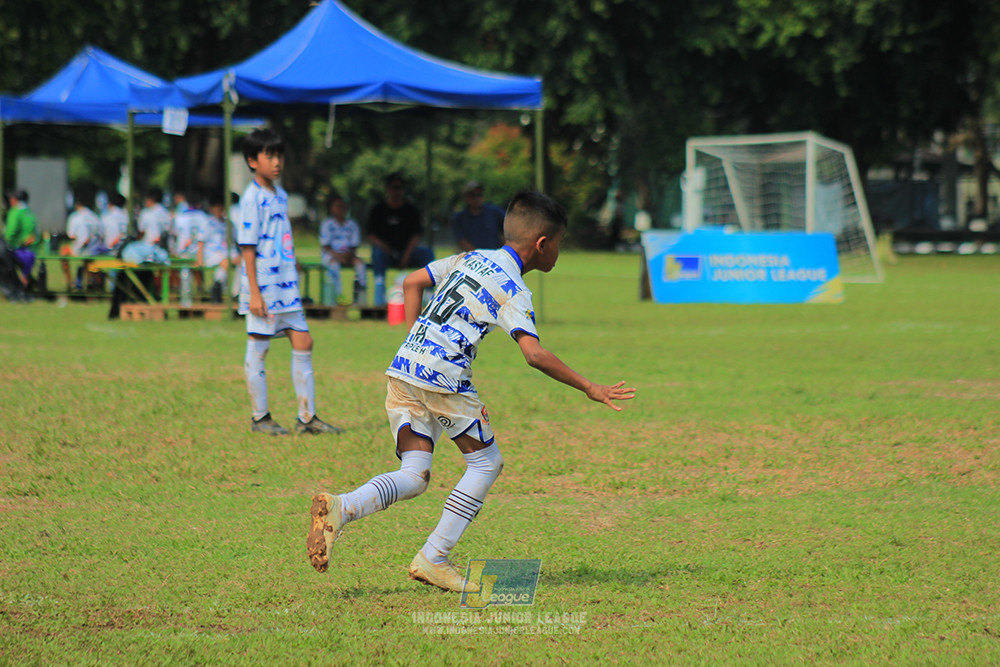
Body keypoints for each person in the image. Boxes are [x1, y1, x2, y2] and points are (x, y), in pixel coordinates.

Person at [307, 190, 636, 591]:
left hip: (405, 368)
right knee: (486, 464)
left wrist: (418, 339)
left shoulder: (470, 258)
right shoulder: (513, 288)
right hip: (443, 380)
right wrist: (590, 386)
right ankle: (434, 558)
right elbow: (533, 354)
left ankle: (344, 506)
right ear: (542, 244)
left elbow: (411, 282)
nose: (559, 252)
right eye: (561, 243)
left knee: (415, 474)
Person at [237, 128, 342, 436]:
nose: (276, 162)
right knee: (258, 347)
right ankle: (260, 417)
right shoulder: (251, 198)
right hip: (264, 287)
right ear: (252, 161)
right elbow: (247, 246)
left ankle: (307, 418)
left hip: (286, 284)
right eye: (269, 156)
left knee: (304, 340)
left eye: (279, 155)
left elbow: (279, 236)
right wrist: (253, 292)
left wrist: (290, 257)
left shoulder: (280, 195)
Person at [367, 172, 434, 306]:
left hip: (408, 251)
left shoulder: (411, 210)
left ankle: (429, 295)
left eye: (400, 188)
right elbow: (371, 235)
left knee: (427, 253)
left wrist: (406, 255)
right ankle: (379, 297)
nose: (397, 191)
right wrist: (384, 247)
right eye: (394, 187)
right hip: (386, 252)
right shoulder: (378, 209)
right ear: (387, 188)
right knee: (377, 254)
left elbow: (416, 235)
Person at [319, 193, 367, 305]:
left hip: (349, 254)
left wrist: (348, 255)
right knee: (333, 264)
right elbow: (326, 246)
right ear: (331, 208)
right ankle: (337, 296)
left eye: (343, 206)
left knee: (360, 265)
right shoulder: (327, 224)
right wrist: (338, 256)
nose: (341, 209)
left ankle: (361, 296)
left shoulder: (352, 224)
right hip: (332, 255)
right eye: (338, 206)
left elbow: (355, 245)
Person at [61, 189, 102, 289]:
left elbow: (72, 236)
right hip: (94, 250)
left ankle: (70, 282)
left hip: (80, 249)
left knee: (63, 252)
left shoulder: (75, 217)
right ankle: (95, 282)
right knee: (88, 262)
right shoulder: (95, 217)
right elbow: (100, 235)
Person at [452, 180, 505, 252]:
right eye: (473, 195)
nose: (477, 198)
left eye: (479, 195)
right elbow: (462, 241)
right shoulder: (460, 218)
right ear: (466, 197)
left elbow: (509, 229)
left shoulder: (494, 212)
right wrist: (480, 256)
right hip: (473, 258)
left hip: (496, 255)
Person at [3, 189, 38, 286]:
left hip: (17, 249)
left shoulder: (15, 212)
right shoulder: (30, 213)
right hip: (32, 250)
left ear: (15, 200)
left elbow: (10, 233)